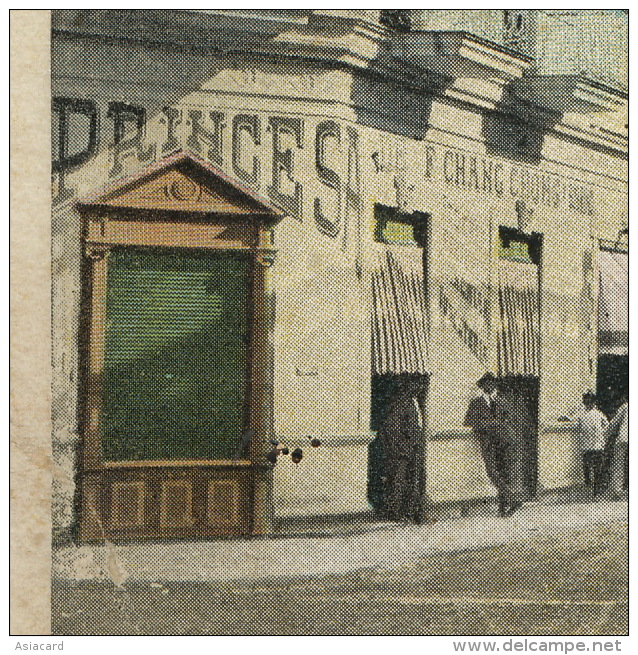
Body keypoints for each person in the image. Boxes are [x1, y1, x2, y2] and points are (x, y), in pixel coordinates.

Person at [464, 372, 517, 517]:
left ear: (494, 385)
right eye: (486, 383)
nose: (490, 386)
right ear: (482, 386)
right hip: (487, 442)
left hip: (503, 442)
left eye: (492, 383)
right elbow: (468, 422)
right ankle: (512, 499)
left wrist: (499, 425)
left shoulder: (501, 401)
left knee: (503, 472)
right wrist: (490, 424)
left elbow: (509, 420)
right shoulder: (476, 402)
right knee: (492, 472)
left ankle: (503, 507)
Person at [380, 376, 424, 522]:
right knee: (397, 481)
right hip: (403, 451)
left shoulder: (415, 401)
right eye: (414, 384)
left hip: (414, 448)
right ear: (407, 385)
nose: (418, 387)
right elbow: (391, 428)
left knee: (413, 481)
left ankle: (409, 512)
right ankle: (395, 513)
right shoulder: (401, 402)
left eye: (419, 384)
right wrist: (401, 448)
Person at [573, 392, 609, 498]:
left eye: (589, 401)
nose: (587, 403)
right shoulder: (583, 415)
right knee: (589, 469)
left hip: (595, 445)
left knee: (595, 468)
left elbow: (607, 426)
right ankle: (591, 489)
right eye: (586, 401)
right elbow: (575, 423)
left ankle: (595, 491)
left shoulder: (598, 414)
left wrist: (602, 437)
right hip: (589, 446)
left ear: (593, 402)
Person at [604, 395, 628, 499]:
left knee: (619, 464)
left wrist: (605, 434)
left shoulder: (625, 407)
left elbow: (614, 423)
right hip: (625, 437)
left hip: (623, 438)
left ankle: (617, 490)